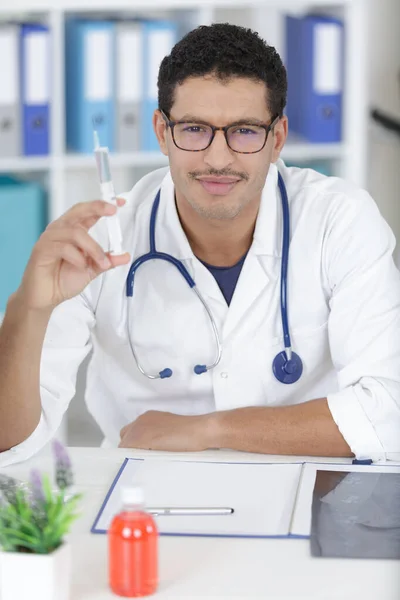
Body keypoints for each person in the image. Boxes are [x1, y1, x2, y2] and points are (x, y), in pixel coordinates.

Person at [0, 23, 399, 467]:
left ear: (278, 139)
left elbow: (389, 413)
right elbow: (12, 443)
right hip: (143, 499)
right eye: (194, 129)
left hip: (309, 495)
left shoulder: (338, 221)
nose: (217, 158)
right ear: (161, 131)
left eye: (245, 131)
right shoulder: (101, 238)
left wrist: (208, 430)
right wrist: (26, 309)